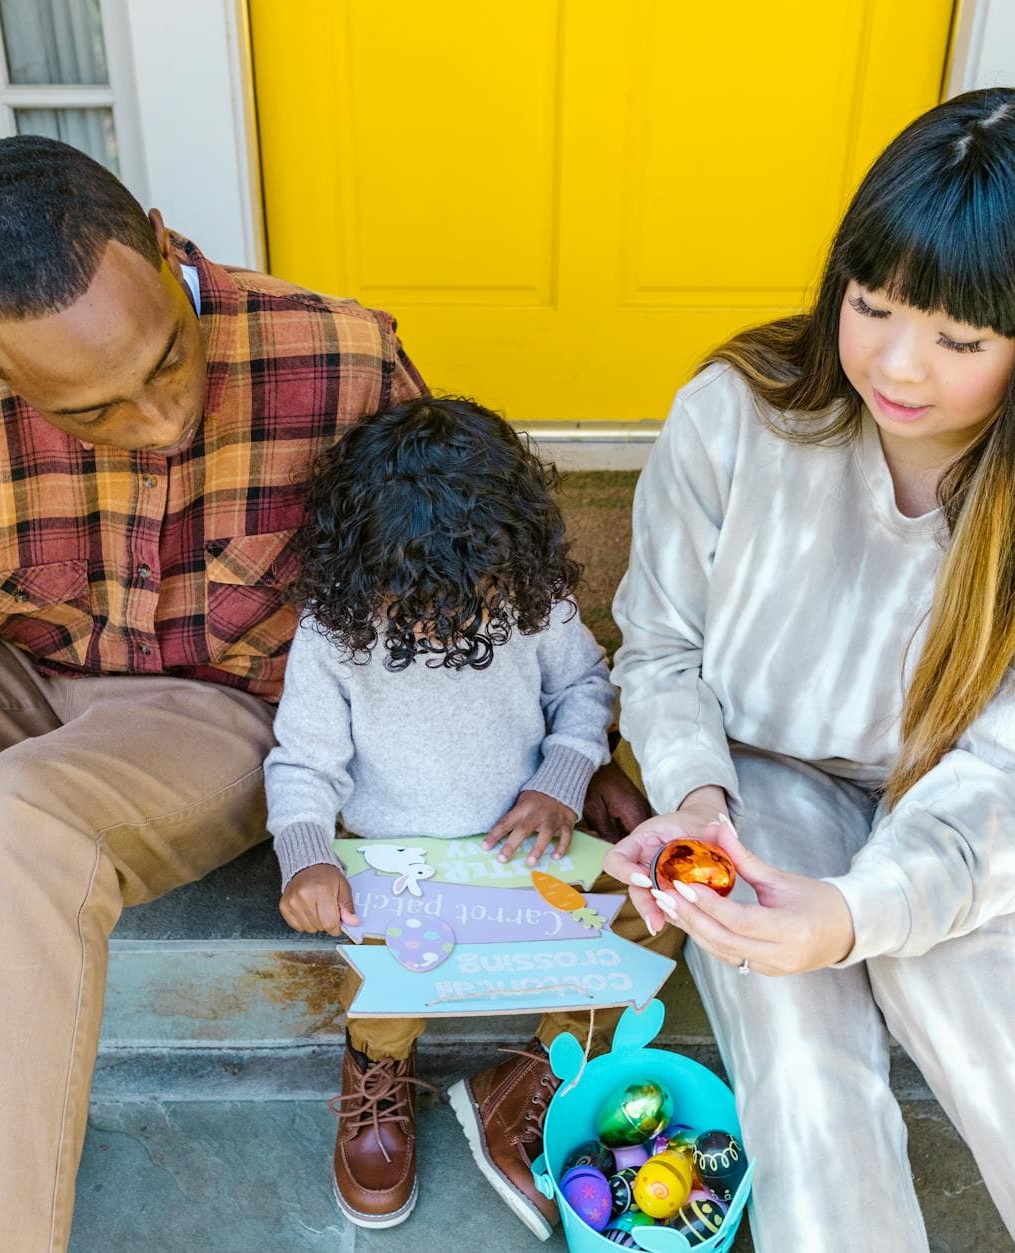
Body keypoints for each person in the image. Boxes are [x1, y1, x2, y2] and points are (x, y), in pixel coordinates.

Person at [0, 135, 650, 1252]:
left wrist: (571, 755)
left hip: (212, 722)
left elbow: (459, 564)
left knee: (17, 813)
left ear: (156, 236)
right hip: (17, 687)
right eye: (92, 412)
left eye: (167, 362)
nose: (159, 420)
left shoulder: (338, 354)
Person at [603, 88, 1015, 1250]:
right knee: (795, 1035)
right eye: (871, 302)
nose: (895, 364)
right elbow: (662, 642)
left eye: (958, 338)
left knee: (969, 987)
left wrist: (855, 912)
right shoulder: (739, 412)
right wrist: (694, 800)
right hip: (764, 779)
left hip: (977, 812)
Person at [265, 397, 676, 1236]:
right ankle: (378, 1072)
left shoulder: (532, 603)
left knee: (657, 905)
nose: (440, 617)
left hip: (528, 840)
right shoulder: (335, 634)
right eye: (412, 599)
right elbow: (303, 761)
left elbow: (584, 689)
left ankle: (540, 1070)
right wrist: (308, 857)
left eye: (467, 595)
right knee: (381, 976)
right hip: (397, 860)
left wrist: (565, 778)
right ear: (360, 567)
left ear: (509, 553)